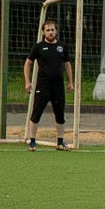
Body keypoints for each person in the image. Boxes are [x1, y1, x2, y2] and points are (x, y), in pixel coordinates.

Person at [22, 20, 72, 151]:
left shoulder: (62, 46)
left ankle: (60, 142)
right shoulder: (38, 47)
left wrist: (70, 81)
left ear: (56, 31)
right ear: (43, 32)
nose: (50, 32)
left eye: (53, 30)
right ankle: (32, 141)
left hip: (58, 87)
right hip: (43, 86)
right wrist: (27, 82)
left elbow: (67, 64)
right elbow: (28, 63)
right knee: (36, 112)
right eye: (48, 30)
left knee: (60, 114)